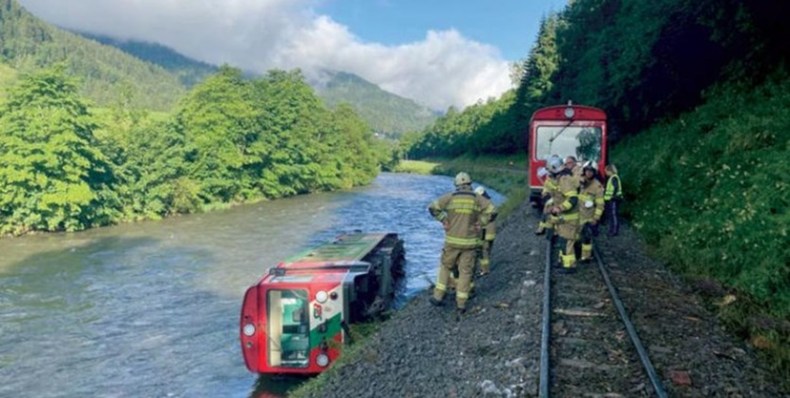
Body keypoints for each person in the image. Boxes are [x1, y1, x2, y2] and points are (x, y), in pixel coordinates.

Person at [428, 172, 496, 315]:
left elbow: (432, 207)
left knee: (446, 267)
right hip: (471, 243)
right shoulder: (478, 199)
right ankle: (461, 305)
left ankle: (438, 296)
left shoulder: (449, 197)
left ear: (456, 185)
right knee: (466, 272)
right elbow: (493, 210)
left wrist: (444, 220)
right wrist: (482, 222)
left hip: (452, 242)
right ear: (470, 184)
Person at [549, 161, 581, 273]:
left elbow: (573, 199)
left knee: (568, 242)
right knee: (563, 241)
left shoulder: (564, 180)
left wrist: (560, 208)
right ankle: (563, 262)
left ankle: (570, 266)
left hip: (569, 219)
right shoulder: (561, 179)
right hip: (564, 219)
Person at [578, 162, 604, 262]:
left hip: (588, 217)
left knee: (586, 238)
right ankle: (578, 253)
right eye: (587, 171)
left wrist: (596, 218)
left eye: (591, 171)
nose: (588, 173)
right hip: (578, 214)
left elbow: (600, 205)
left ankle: (586, 256)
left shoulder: (597, 187)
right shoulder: (581, 182)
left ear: (594, 172)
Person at [535, 155, 563, 235]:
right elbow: (540, 177)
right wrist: (545, 190)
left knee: (558, 212)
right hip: (550, 194)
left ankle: (556, 229)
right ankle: (542, 227)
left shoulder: (562, 174)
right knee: (546, 209)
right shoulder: (548, 173)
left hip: (559, 196)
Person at [474, 186, 497, 277]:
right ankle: (485, 268)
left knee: (483, 251)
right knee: (488, 250)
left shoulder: (482, 204)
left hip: (485, 231)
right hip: (492, 232)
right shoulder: (490, 203)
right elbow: (494, 213)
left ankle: (485, 270)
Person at [604, 164, 623, 236]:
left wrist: (611, 197)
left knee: (614, 215)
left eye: (606, 171)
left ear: (610, 170)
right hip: (612, 199)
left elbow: (615, 189)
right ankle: (612, 230)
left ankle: (614, 231)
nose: (605, 173)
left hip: (614, 199)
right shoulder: (613, 178)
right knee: (612, 215)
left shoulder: (614, 178)